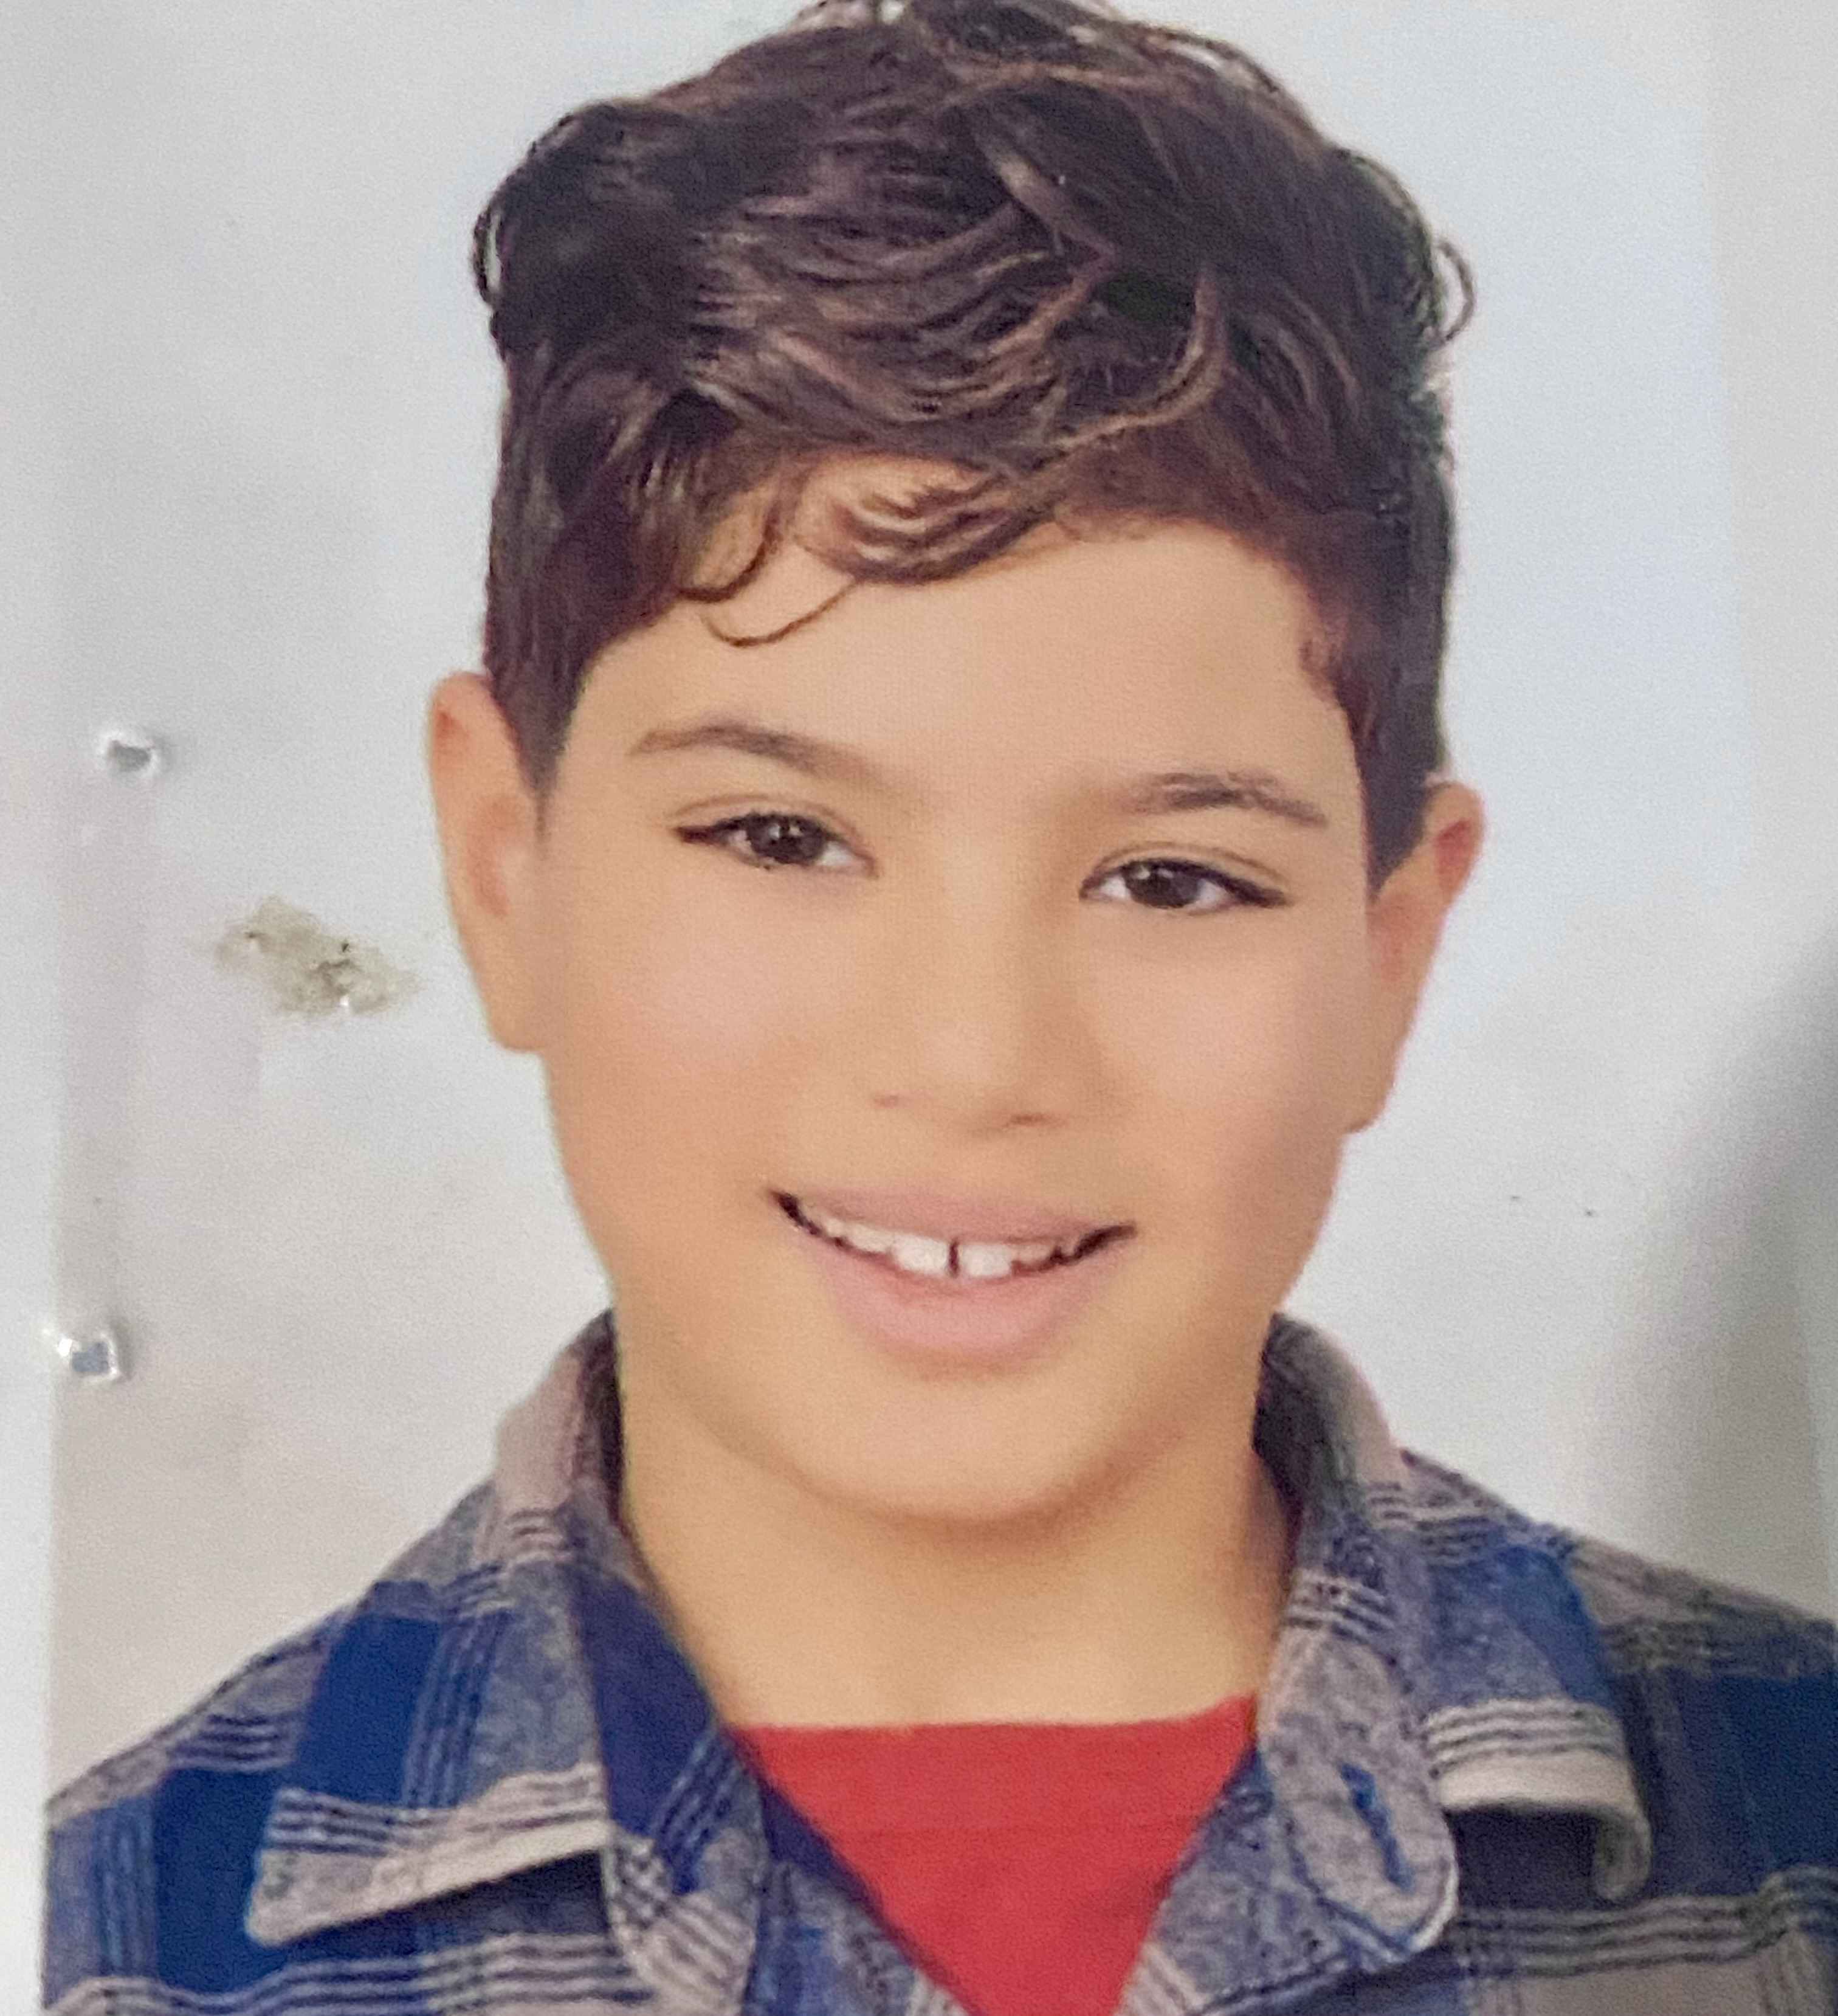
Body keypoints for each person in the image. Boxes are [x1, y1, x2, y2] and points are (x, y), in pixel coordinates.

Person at [41, 1, 1838, 2009]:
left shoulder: (1802, 1841)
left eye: (1172, 878)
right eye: (781, 836)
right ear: (503, 866)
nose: (974, 1059)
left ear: (1390, 948)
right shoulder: (106, 1943)